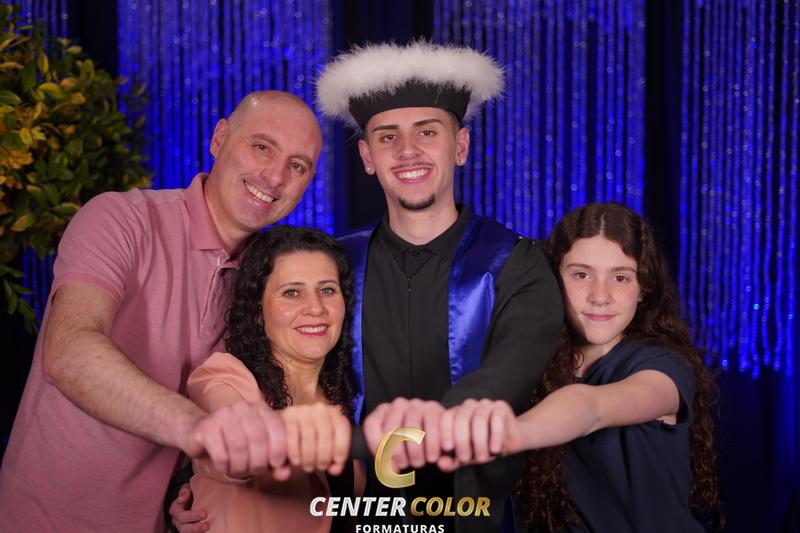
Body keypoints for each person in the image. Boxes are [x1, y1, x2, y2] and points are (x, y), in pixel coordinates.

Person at [0, 91, 323, 531]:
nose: (274, 176)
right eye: (262, 147)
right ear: (219, 138)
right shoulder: (121, 218)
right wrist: (199, 431)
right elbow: (68, 351)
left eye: (297, 165)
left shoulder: (270, 281)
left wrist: (189, 488)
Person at [319, 41, 563, 532]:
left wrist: (426, 428)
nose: (407, 151)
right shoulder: (332, 265)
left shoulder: (516, 263)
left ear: (461, 146)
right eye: (388, 136)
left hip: (476, 511)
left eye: (427, 132)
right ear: (367, 156)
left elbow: (511, 373)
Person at [433, 203, 723, 532]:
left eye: (620, 278)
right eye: (581, 275)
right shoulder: (533, 363)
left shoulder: (664, 367)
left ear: (643, 288)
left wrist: (513, 434)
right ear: (553, 279)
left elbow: (591, 407)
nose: (600, 296)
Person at [186, 226, 363, 532]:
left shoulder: (342, 398)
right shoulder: (225, 378)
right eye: (292, 292)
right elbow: (232, 446)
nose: (315, 308)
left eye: (327, 290)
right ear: (258, 310)